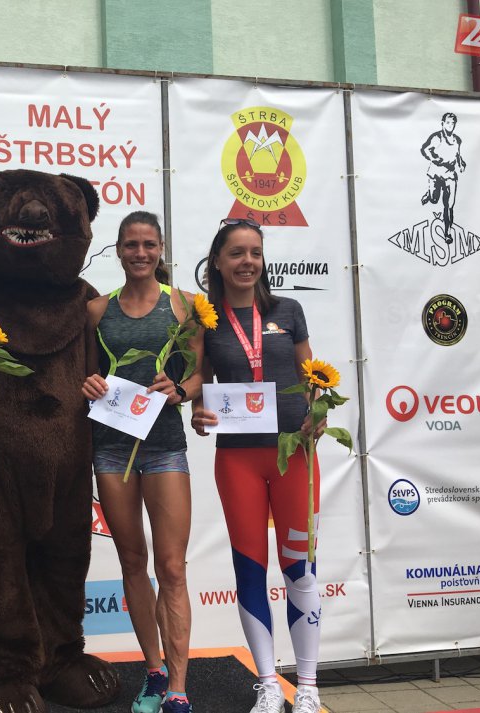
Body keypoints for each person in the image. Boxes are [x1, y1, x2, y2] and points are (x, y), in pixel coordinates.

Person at [191, 218, 325, 713]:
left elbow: (312, 374)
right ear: (217, 262)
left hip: (294, 454)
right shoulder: (206, 320)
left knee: (300, 569)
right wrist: (198, 410)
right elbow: (199, 382)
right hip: (238, 459)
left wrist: (319, 408)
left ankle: (307, 687)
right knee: (250, 569)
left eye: (255, 253)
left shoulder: (289, 310)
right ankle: (268, 684)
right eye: (237, 253)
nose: (247, 262)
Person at [81, 211, 203, 713]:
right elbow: (83, 375)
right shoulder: (96, 310)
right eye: (131, 244)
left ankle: (179, 688)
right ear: (118, 250)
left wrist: (181, 390)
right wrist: (88, 383)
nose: (140, 253)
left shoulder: (186, 306)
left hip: (165, 446)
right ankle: (154, 673)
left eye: (149, 244)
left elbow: (199, 374)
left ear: (161, 249)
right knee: (132, 560)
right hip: (111, 448)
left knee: (171, 567)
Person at [420, 112, 467, 244]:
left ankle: (448, 233)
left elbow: (457, 155)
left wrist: (461, 164)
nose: (450, 125)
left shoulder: (457, 140)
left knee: (449, 206)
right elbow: (425, 149)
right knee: (434, 200)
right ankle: (430, 195)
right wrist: (435, 159)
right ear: (442, 124)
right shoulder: (437, 138)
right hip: (435, 174)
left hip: (450, 175)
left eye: (453, 123)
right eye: (448, 123)